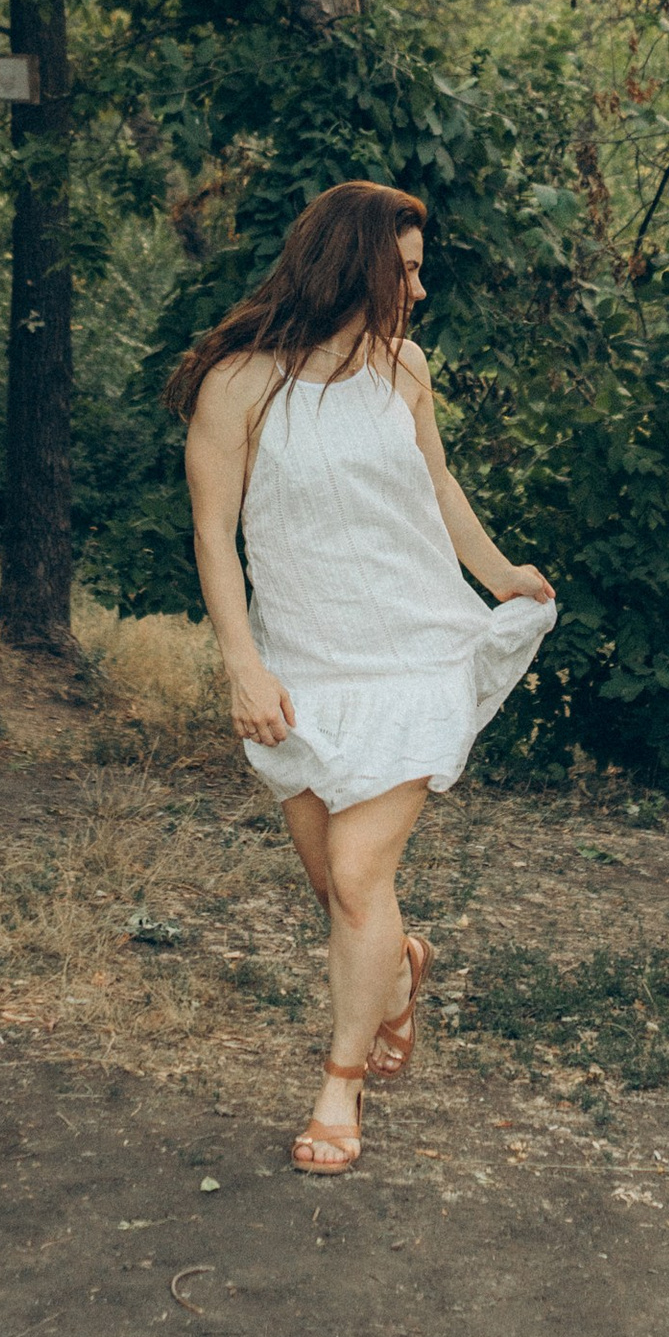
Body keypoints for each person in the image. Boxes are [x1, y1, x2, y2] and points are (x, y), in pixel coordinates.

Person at [170, 180, 556, 1175]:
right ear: (357, 266)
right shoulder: (240, 385)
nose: (419, 292)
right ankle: (396, 970)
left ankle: (340, 1084)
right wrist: (240, 665)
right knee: (336, 889)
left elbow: (438, 486)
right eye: (409, 271)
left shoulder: (404, 369)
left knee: (354, 880)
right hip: (298, 671)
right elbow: (213, 535)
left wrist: (500, 574)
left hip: (408, 656)